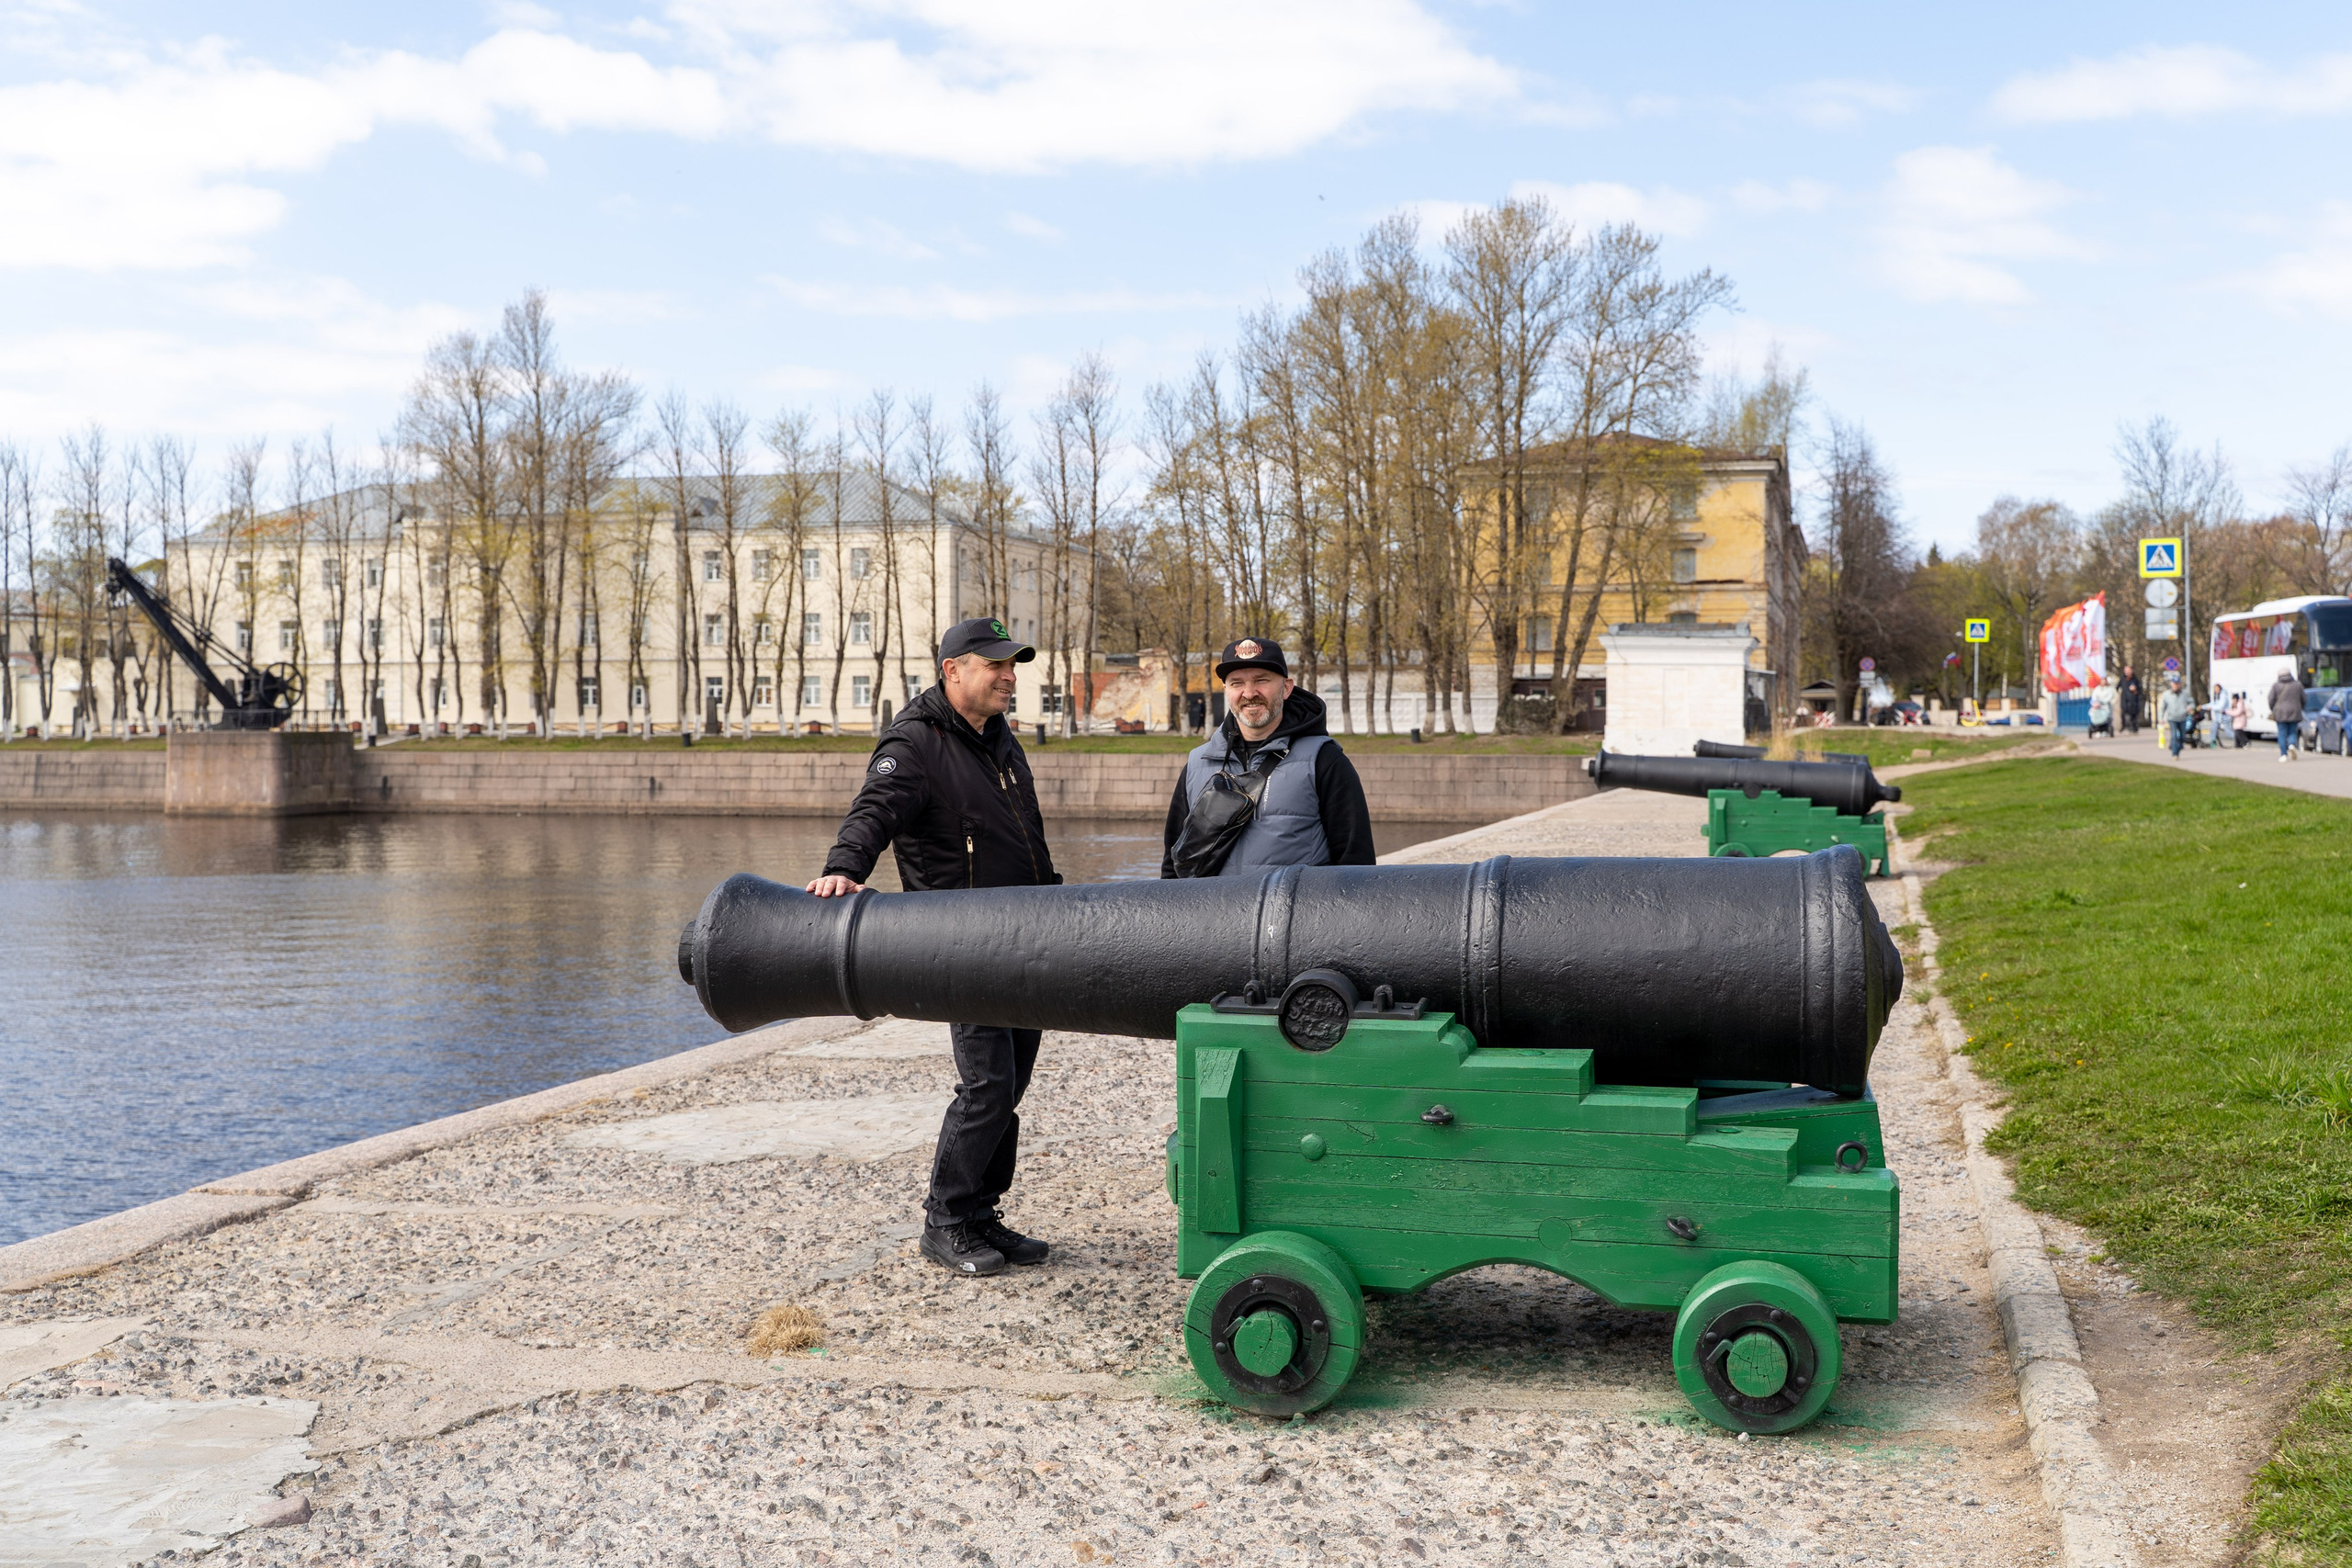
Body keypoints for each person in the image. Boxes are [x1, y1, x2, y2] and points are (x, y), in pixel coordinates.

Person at [807, 616, 1062, 1279]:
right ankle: (945, 1220)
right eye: (995, 665)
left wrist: (1056, 900)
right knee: (987, 1084)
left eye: (1013, 666)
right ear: (953, 670)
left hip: (1027, 935)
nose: (1009, 676)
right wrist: (844, 864)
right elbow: (876, 807)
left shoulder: (1000, 740)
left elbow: (1026, 838)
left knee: (1013, 1084)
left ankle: (982, 1213)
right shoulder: (915, 742)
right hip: (962, 942)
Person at [1161, 636, 1375, 878]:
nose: (1249, 693)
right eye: (1236, 683)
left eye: (1261, 680)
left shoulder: (1324, 759)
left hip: (1292, 915)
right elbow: (1172, 864)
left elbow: (1357, 863)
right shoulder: (1197, 762)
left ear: (1286, 688)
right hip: (1215, 915)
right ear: (1226, 691)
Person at [2271, 666, 2307, 761]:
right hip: (2295, 711)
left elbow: (2271, 699)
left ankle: (2283, 754)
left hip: (2280, 712)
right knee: (2292, 731)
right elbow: (2304, 698)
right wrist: (2301, 707)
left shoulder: (2276, 685)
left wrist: (2273, 709)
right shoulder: (2298, 685)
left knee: (2282, 733)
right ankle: (2291, 745)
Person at [2158, 676, 2195, 758]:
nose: (2176, 685)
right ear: (2171, 684)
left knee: (2182, 737)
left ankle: (2177, 749)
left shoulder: (2185, 694)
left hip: (2182, 717)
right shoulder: (2166, 694)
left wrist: (2190, 707)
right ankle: (2175, 754)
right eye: (2174, 684)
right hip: (2172, 718)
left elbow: (2192, 703)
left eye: (2177, 684)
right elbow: (2162, 707)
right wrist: (2161, 718)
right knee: (2174, 735)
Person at [2120, 666, 2144, 735]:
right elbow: (2118, 687)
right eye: (2126, 671)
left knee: (2133, 715)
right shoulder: (2123, 679)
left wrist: (2135, 690)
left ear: (2131, 671)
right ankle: (2125, 726)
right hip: (2124, 700)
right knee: (2124, 714)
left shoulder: (2135, 680)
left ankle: (2134, 728)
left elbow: (2140, 690)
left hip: (2133, 700)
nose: (2127, 672)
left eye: (2128, 670)